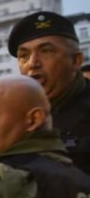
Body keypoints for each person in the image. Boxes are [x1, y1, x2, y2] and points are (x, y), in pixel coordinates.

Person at [8, 11, 90, 173]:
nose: (33, 63)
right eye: (24, 55)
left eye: (46, 51)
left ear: (76, 61)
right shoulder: (12, 117)